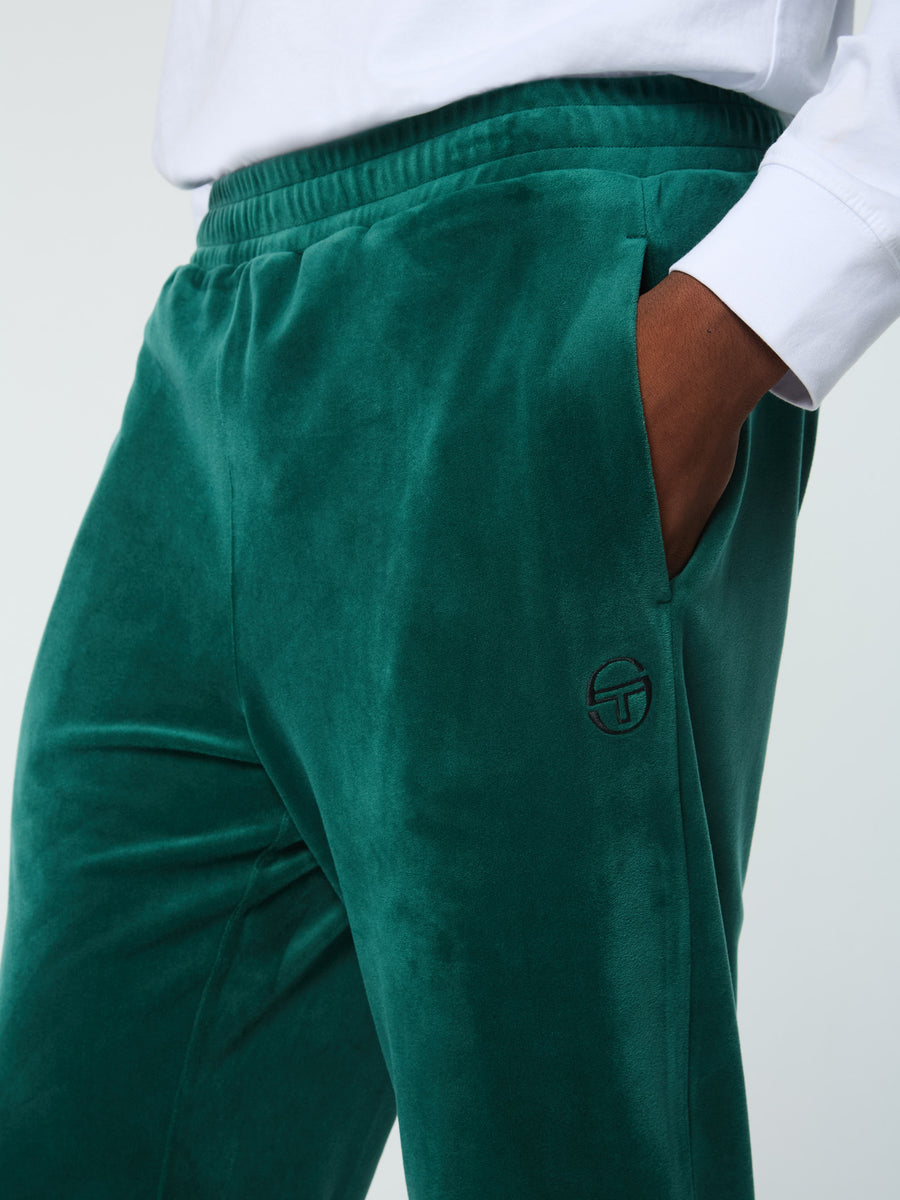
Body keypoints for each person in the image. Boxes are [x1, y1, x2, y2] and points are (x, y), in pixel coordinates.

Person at [0, 2, 897, 1198]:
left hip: (549, 239)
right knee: (75, 1136)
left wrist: (767, 288)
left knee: (559, 1152)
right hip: (226, 295)